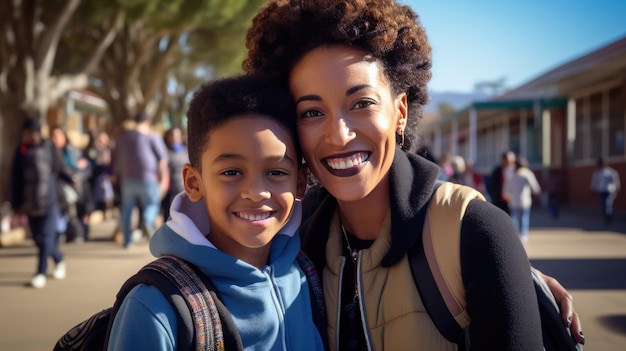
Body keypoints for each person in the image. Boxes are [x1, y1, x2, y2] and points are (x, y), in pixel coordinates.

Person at [244, 0, 584, 349]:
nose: (339, 134)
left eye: (362, 103)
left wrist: (507, 269)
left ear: (400, 112)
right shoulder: (292, 244)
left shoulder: (473, 231)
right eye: (312, 112)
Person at [107, 75, 325, 350]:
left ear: (300, 182)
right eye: (232, 172)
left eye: (276, 172)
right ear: (194, 183)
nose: (256, 192)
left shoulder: (305, 273)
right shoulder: (155, 306)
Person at [9, 117, 73, 288]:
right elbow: (15, 179)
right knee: (38, 239)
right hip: (30, 203)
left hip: (49, 201)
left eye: (30, 132)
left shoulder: (50, 149)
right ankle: (59, 259)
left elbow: (61, 169)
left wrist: (72, 179)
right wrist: (16, 203)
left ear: (36, 132)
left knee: (45, 238)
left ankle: (40, 272)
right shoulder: (21, 151)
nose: (27, 136)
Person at [113, 111, 169, 248]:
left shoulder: (123, 138)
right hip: (148, 178)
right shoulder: (152, 137)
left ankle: (127, 240)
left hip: (127, 179)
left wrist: (116, 173)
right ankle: (147, 221)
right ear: (148, 123)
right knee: (152, 203)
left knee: (127, 210)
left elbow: (115, 157)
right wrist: (164, 177)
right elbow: (162, 160)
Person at [50, 125, 93, 242]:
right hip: (60, 187)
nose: (54, 139)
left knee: (77, 211)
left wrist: (77, 177)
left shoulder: (72, 151)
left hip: (76, 186)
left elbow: (85, 168)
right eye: (52, 136)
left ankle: (78, 233)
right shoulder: (49, 150)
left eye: (57, 136)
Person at [503, 157, 542, 243]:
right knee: (524, 217)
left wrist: (507, 196)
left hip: (513, 200)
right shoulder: (527, 174)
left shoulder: (512, 174)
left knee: (514, 218)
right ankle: (524, 234)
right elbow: (535, 187)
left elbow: (506, 189)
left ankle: (514, 234)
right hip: (525, 200)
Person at [160, 126, 189, 221]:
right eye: (172, 136)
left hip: (186, 190)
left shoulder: (187, 151)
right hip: (171, 191)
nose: (175, 138)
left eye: (177, 136)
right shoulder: (164, 153)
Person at [590, 157, 621, 224]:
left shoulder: (610, 172)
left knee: (608, 204)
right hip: (601, 191)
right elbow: (594, 182)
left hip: (609, 191)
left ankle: (608, 216)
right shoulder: (597, 173)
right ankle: (606, 216)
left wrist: (616, 187)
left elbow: (615, 180)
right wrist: (593, 189)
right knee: (604, 204)